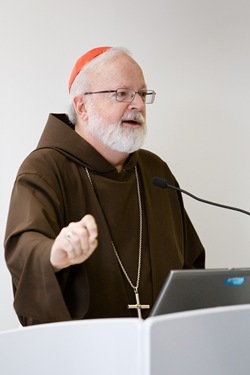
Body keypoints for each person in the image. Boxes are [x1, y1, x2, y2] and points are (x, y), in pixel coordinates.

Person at [4, 46, 205, 325]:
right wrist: (54, 254)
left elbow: (191, 267)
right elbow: (23, 246)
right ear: (82, 106)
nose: (137, 105)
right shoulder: (45, 168)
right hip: (85, 355)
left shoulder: (155, 172)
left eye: (142, 94)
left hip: (160, 354)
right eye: (122, 94)